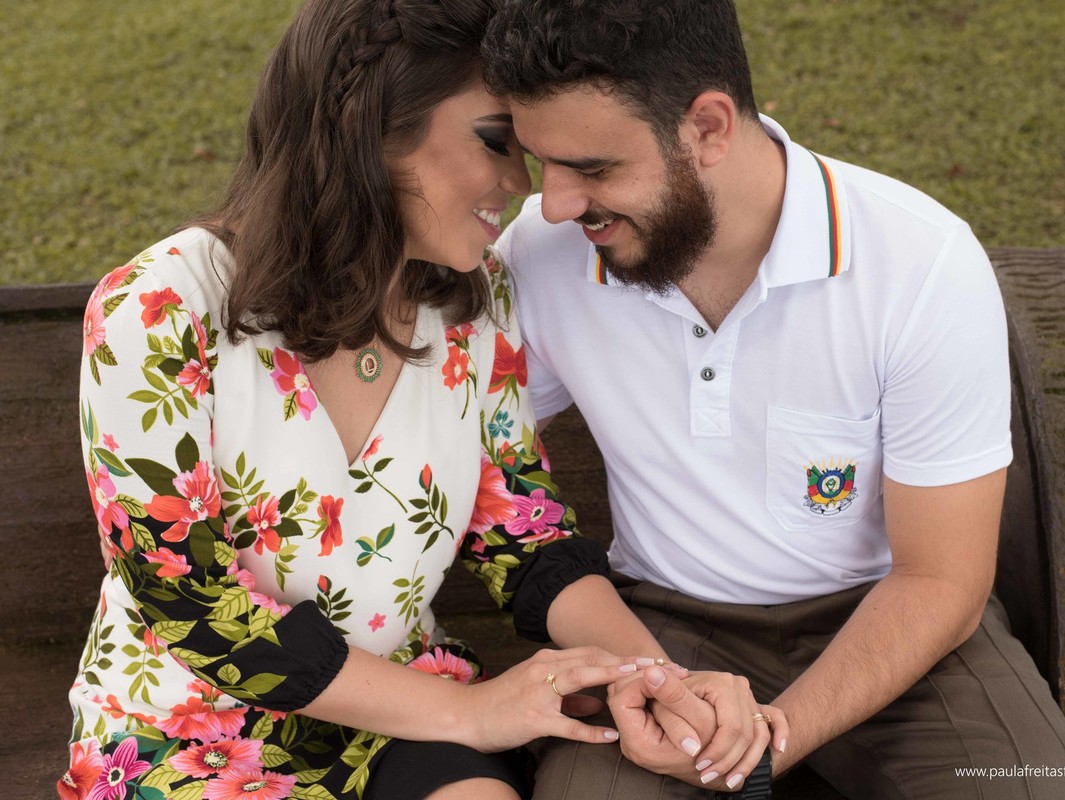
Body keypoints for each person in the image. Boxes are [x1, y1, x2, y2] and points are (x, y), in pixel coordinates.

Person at [59, 2, 782, 799]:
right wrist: (470, 713)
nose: (522, 185)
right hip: (186, 735)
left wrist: (662, 684)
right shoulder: (159, 308)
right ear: (368, 129)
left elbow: (525, 539)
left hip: (401, 724)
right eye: (495, 139)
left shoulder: (474, 299)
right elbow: (192, 605)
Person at [481, 1, 1065, 798]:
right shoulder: (543, 252)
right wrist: (657, 680)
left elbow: (942, 581)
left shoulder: (921, 264)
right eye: (545, 165)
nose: (559, 202)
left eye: (594, 168)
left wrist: (767, 742)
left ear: (708, 127)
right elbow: (459, 442)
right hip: (659, 626)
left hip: (892, 627)